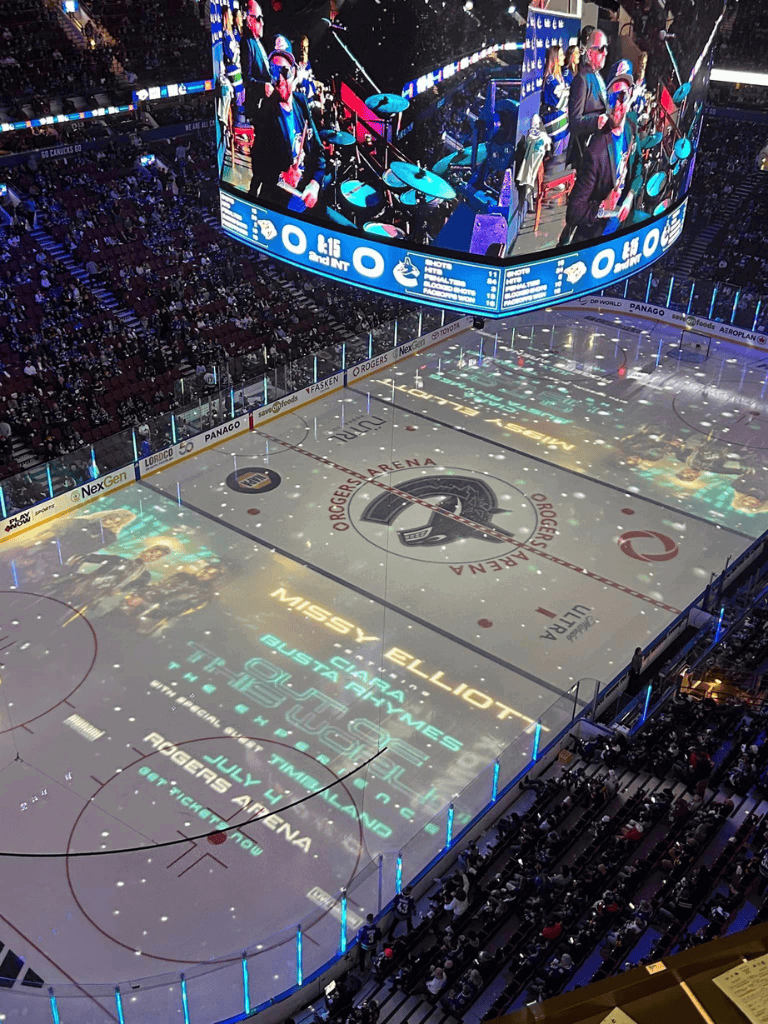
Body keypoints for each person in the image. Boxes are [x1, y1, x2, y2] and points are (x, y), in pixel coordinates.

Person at [563, 60, 643, 244]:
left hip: (622, 229)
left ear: (630, 94)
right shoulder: (596, 151)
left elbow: (637, 165)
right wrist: (602, 208)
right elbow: (574, 212)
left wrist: (630, 197)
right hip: (596, 237)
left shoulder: (631, 126)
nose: (616, 105)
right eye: (612, 98)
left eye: (622, 96)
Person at [248, 49, 325, 212]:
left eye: (285, 71)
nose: (280, 79)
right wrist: (282, 176)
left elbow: (318, 152)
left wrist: (315, 183)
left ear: (294, 72)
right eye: (275, 72)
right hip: (281, 197)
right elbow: (259, 165)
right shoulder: (267, 112)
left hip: (306, 191)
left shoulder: (301, 102)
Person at [567, 27, 609, 173]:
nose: (605, 53)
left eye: (606, 49)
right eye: (601, 49)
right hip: (586, 156)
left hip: (600, 150)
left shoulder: (598, 77)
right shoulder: (581, 80)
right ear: (590, 53)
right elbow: (574, 121)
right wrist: (596, 121)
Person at [240, 0, 273, 122]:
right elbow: (246, 80)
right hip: (258, 110)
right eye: (259, 19)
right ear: (249, 20)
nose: (262, 23)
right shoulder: (247, 43)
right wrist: (262, 87)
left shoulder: (258, 42)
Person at [540, 45, 570, 155]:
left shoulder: (560, 77)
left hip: (564, 122)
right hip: (555, 122)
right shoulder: (550, 80)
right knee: (557, 158)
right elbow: (562, 100)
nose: (564, 57)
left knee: (564, 156)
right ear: (555, 58)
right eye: (561, 55)